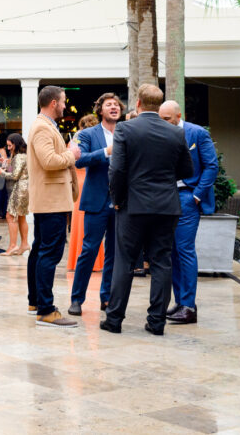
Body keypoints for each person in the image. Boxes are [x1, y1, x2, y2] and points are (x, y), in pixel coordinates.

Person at [102, 84, 193, 336]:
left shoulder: (125, 128)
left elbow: (117, 170)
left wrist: (117, 199)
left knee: (125, 262)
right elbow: (187, 170)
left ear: (138, 104)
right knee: (162, 262)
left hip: (133, 206)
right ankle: (156, 323)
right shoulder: (175, 133)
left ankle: (114, 319)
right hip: (167, 206)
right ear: (159, 105)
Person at [159, 99, 218, 325]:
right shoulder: (162, 134)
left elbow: (211, 166)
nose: (164, 123)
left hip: (187, 196)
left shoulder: (197, 133)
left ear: (178, 115)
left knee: (184, 249)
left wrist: (197, 195)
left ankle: (189, 306)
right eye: (160, 119)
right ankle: (180, 302)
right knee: (172, 251)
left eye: (167, 119)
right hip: (165, 197)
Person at [27, 85, 82, 328]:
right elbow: (49, 161)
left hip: (50, 199)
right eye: (63, 101)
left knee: (40, 250)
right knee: (49, 252)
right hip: (51, 201)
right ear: (53, 103)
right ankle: (46, 310)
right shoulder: (41, 127)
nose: (64, 105)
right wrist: (72, 154)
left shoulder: (46, 125)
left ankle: (36, 302)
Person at [68, 93, 123, 316]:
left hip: (121, 201)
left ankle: (107, 297)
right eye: (109, 105)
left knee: (114, 252)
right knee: (89, 250)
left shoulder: (126, 132)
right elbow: (79, 160)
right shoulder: (87, 134)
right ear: (100, 110)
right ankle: (76, 299)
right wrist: (105, 152)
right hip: (96, 200)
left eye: (116, 105)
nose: (114, 108)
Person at [0, 134, 29, 257]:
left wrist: (2, 173)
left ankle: (13, 246)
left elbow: (15, 175)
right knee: (21, 216)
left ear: (15, 144)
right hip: (26, 187)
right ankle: (24, 244)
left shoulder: (19, 157)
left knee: (10, 215)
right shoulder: (24, 155)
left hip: (20, 188)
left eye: (10, 145)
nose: (8, 148)